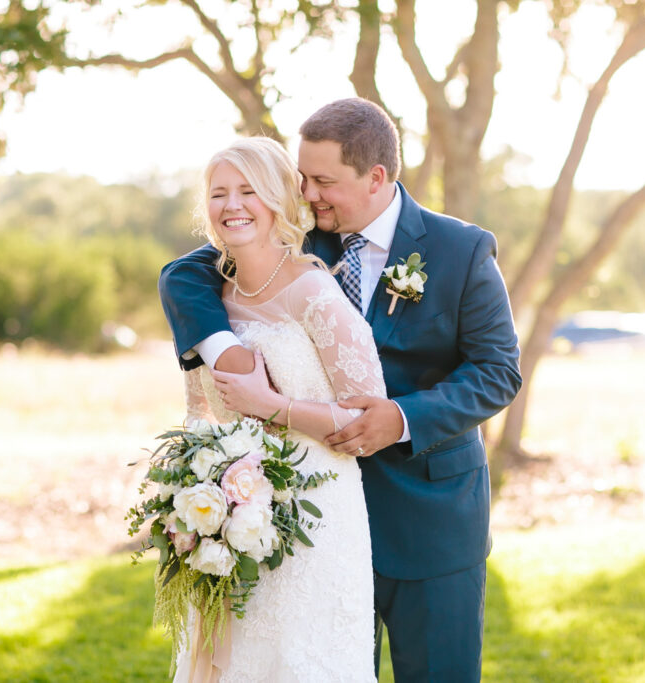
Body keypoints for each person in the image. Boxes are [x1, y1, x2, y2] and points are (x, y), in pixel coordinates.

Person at [160, 98, 522, 682]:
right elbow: (182, 273)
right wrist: (226, 350)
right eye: (302, 178)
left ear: (376, 177)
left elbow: (498, 370)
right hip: (306, 516)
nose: (308, 192)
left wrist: (401, 418)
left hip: (428, 517)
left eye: (323, 180)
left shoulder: (461, 250)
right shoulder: (300, 234)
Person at [169, 136, 382, 682]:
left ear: (279, 201)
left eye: (249, 191)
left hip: (320, 515)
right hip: (236, 522)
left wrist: (273, 405)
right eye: (219, 194)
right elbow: (204, 417)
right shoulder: (212, 300)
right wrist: (195, 498)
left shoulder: (313, 291)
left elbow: (367, 420)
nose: (233, 205)